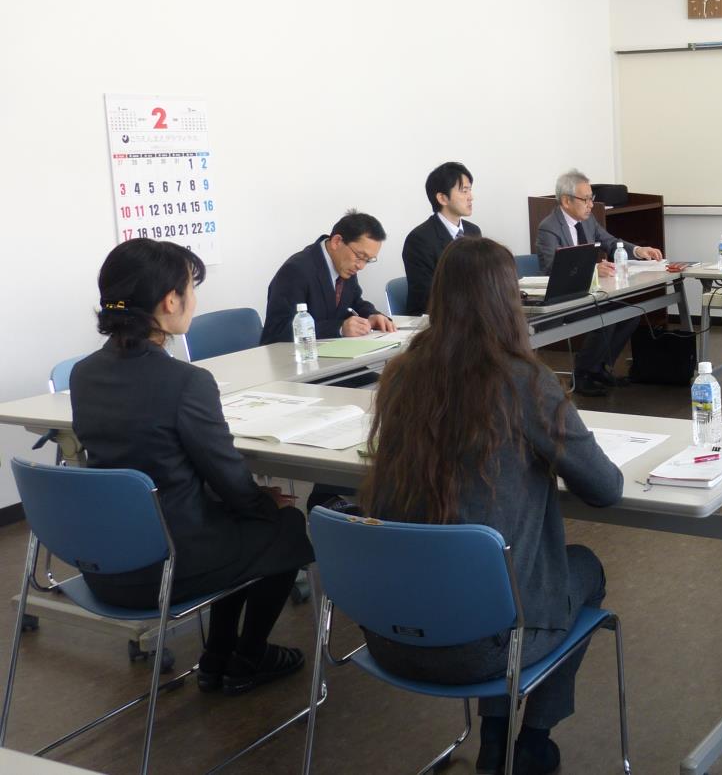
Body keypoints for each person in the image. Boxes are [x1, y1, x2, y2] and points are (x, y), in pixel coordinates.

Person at [360, 237, 623, 775]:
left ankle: (497, 736)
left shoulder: (402, 377)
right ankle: (529, 741)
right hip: (483, 646)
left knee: (491, 577)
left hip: (390, 632)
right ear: (508, 301)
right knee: (584, 569)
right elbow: (605, 488)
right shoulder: (524, 381)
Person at [71, 238, 313, 694]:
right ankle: (245, 656)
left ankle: (219, 653)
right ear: (169, 301)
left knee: (238, 521)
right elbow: (230, 480)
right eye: (190, 289)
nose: (194, 300)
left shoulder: (83, 375)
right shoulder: (187, 382)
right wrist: (265, 501)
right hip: (169, 564)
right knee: (285, 527)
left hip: (107, 564)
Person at [534, 170, 663, 397]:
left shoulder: (588, 220)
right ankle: (583, 374)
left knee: (631, 313)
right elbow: (551, 270)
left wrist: (638, 250)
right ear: (566, 200)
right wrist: (593, 269)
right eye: (586, 199)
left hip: (588, 294)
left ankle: (599, 368)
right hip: (563, 301)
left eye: (592, 198)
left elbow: (610, 242)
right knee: (605, 318)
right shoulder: (549, 227)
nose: (591, 204)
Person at [261, 210, 396, 344]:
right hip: (293, 360)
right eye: (360, 256)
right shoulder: (296, 271)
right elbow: (278, 331)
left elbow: (354, 303)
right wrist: (339, 328)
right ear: (337, 241)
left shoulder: (345, 265)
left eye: (368, 260)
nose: (361, 266)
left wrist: (371, 315)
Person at [402, 161, 481, 316]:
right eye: (464, 191)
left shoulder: (473, 231)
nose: (471, 197)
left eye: (470, 190)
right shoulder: (419, 240)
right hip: (436, 320)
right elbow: (427, 297)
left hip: (471, 316)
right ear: (442, 198)